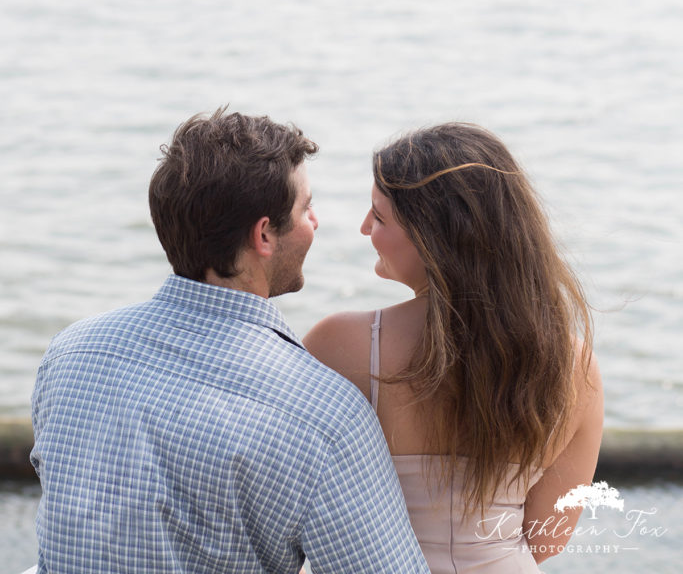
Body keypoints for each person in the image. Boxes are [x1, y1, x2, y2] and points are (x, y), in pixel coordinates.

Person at [31, 108, 429, 574]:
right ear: (263, 235)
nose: (315, 222)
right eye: (305, 208)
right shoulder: (324, 416)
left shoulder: (70, 354)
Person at [305, 123, 604, 572]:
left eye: (380, 216)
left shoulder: (341, 344)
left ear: (435, 238)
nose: (365, 227)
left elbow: (289, 513)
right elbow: (549, 538)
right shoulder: (573, 364)